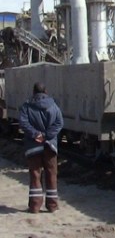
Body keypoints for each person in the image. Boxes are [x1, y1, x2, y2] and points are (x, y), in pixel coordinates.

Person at [19, 82, 63, 213]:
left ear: (33, 92)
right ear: (46, 91)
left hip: (33, 146)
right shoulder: (54, 106)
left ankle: (35, 206)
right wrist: (47, 135)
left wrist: (35, 134)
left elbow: (23, 122)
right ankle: (52, 205)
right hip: (50, 146)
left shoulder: (26, 106)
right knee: (51, 174)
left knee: (35, 174)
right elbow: (59, 122)